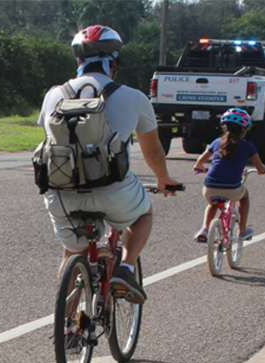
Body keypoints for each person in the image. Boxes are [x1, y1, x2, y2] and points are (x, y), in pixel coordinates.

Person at [38, 24, 181, 305]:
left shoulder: (54, 95)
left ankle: (65, 328)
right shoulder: (134, 98)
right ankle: (125, 269)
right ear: (114, 63)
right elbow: (153, 152)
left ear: (79, 61)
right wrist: (164, 178)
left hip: (62, 195)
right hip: (113, 191)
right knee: (143, 215)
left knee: (72, 253)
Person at [191, 109, 265, 243]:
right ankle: (243, 230)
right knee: (244, 197)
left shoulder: (216, 143)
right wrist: (263, 170)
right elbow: (259, 167)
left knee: (213, 204)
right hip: (232, 188)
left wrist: (201, 168)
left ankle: (204, 229)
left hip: (210, 188)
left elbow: (199, 163)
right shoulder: (248, 146)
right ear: (244, 130)